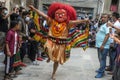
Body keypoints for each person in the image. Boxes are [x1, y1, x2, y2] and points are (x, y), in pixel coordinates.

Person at [29, 2, 88, 80]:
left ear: (67, 15)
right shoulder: (51, 21)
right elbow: (42, 14)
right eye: (58, 14)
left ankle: (53, 73)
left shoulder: (68, 24)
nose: (60, 15)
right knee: (47, 47)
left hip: (61, 45)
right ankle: (49, 56)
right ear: (54, 14)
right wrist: (34, 9)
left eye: (63, 14)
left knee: (56, 61)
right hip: (50, 41)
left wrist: (85, 20)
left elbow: (77, 21)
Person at [95, 14, 111, 78]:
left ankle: (101, 72)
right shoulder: (103, 25)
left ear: (108, 18)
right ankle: (101, 69)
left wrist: (103, 45)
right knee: (100, 58)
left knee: (102, 59)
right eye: (102, 17)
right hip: (99, 45)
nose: (103, 18)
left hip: (103, 46)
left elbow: (107, 35)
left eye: (105, 17)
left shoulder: (108, 25)